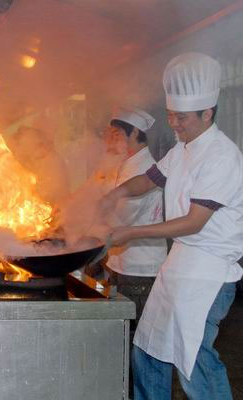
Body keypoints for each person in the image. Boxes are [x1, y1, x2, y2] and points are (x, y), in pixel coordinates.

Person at [102, 53, 243, 399]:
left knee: (193, 359)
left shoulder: (222, 156)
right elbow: (149, 180)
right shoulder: (183, 149)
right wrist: (115, 192)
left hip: (209, 271)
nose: (174, 124)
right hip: (179, 264)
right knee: (148, 350)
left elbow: (194, 222)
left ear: (206, 113)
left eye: (181, 118)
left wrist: (130, 233)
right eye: (170, 116)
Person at [104, 107, 167, 325]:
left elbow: (123, 216)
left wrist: (86, 221)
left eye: (117, 134)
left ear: (134, 133)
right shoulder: (126, 164)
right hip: (122, 263)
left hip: (140, 269)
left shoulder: (145, 167)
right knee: (121, 333)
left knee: (134, 334)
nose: (112, 140)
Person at [9, 125, 69, 203]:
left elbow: (55, 191)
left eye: (41, 144)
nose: (44, 149)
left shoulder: (52, 160)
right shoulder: (23, 177)